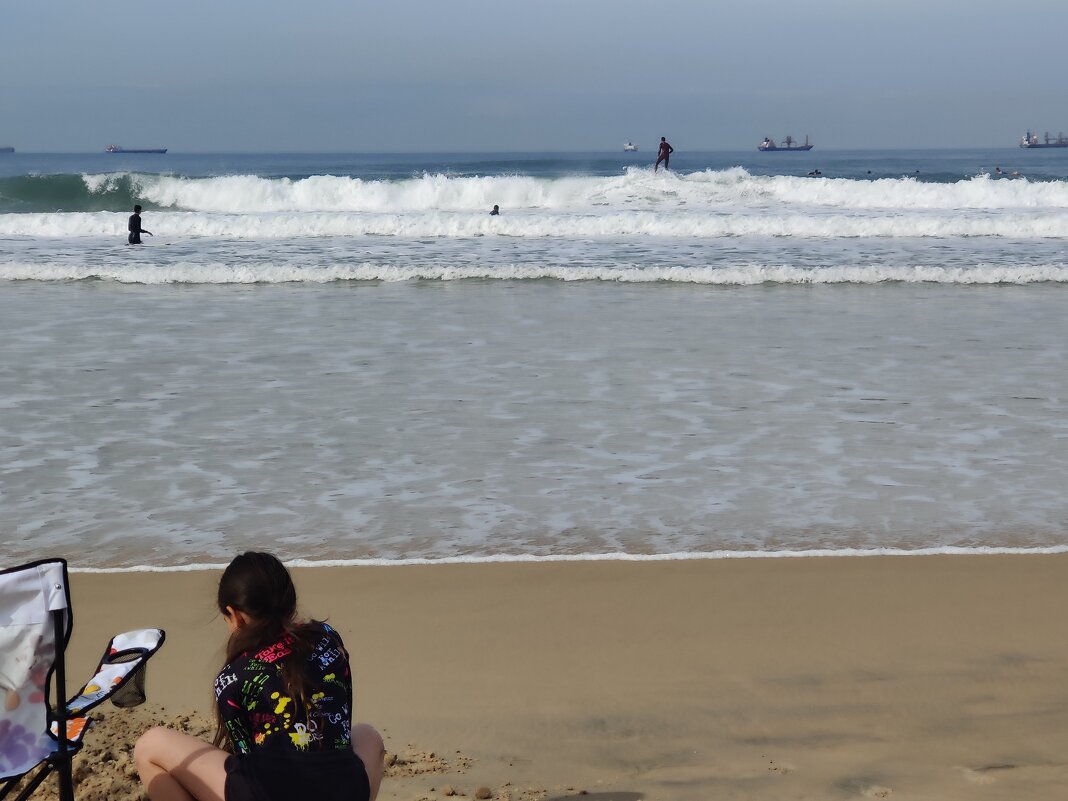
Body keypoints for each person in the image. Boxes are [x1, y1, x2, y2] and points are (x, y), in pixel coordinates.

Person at [134, 552, 385, 801]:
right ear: (292, 603)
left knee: (149, 746)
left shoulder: (233, 677)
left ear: (236, 616)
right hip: (343, 790)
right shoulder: (328, 637)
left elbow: (245, 757)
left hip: (269, 793)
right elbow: (339, 716)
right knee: (367, 735)